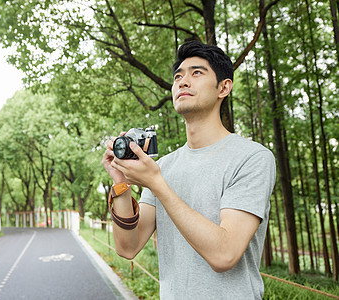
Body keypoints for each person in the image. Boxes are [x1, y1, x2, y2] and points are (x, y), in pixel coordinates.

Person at [101, 40, 276, 299]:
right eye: (178, 76)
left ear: (223, 88)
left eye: (197, 73)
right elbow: (128, 247)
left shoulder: (252, 158)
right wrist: (121, 185)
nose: (183, 82)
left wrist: (158, 184)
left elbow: (224, 254)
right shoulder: (163, 167)